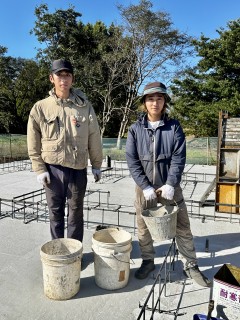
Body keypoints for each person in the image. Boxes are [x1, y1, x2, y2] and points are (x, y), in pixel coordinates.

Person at [125, 81, 211, 287]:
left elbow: (178, 157)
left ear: (165, 102)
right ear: (144, 103)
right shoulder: (135, 129)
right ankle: (148, 261)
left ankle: (190, 265)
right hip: (143, 188)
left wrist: (171, 183)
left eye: (159, 98)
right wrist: (145, 186)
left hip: (169, 187)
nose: (155, 103)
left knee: (182, 225)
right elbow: (132, 160)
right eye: (150, 99)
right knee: (143, 227)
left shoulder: (174, 127)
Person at [27, 59, 103, 243]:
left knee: (76, 213)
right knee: (55, 213)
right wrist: (39, 169)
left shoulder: (84, 106)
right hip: (52, 169)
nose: (64, 79)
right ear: (51, 78)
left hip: (77, 168)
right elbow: (33, 140)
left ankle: (74, 252)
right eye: (59, 75)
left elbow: (94, 135)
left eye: (67, 75)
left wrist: (97, 164)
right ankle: (58, 250)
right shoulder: (41, 107)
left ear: (72, 79)